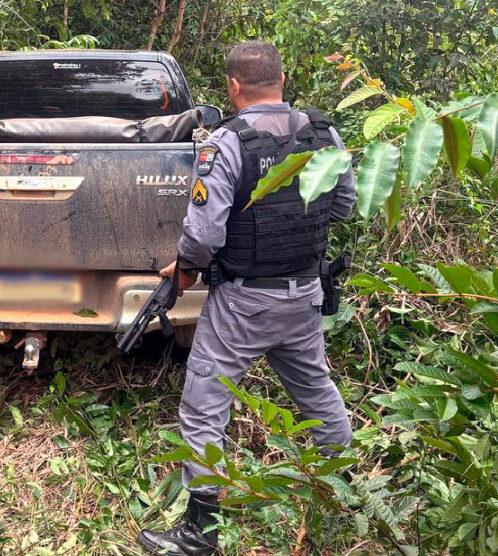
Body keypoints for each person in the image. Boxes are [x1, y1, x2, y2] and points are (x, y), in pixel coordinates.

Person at [138, 41, 356, 556]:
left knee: (204, 406)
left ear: (234, 86)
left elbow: (204, 234)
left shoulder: (227, 141)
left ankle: (201, 532)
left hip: (242, 304)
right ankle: (348, 501)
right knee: (318, 395)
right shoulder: (324, 133)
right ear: (281, 79)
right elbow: (345, 205)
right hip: (304, 295)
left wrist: (186, 270)